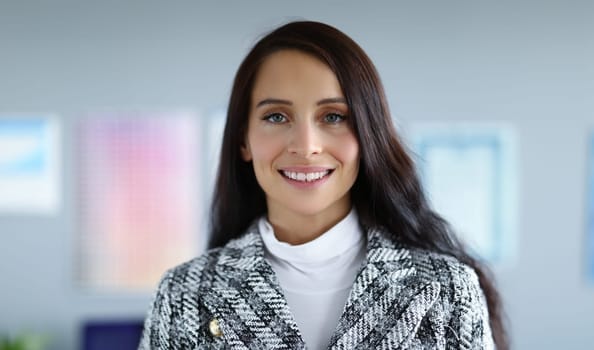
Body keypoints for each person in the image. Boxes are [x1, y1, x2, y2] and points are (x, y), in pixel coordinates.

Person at [139, 21, 508, 350]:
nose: (306, 145)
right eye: (276, 116)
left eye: (333, 116)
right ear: (243, 140)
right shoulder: (183, 294)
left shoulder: (449, 290)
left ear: (368, 134)